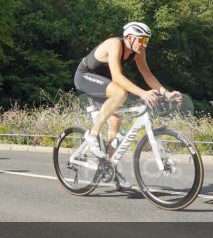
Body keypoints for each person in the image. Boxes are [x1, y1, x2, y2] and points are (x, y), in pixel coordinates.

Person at [73, 22, 181, 175]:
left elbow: (147, 75)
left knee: (116, 121)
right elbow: (117, 76)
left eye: (147, 41)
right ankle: (92, 135)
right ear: (130, 38)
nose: (145, 45)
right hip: (85, 76)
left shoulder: (138, 51)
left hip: (104, 82)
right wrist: (143, 93)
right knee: (120, 93)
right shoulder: (114, 44)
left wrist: (166, 93)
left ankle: (110, 170)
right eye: (142, 40)